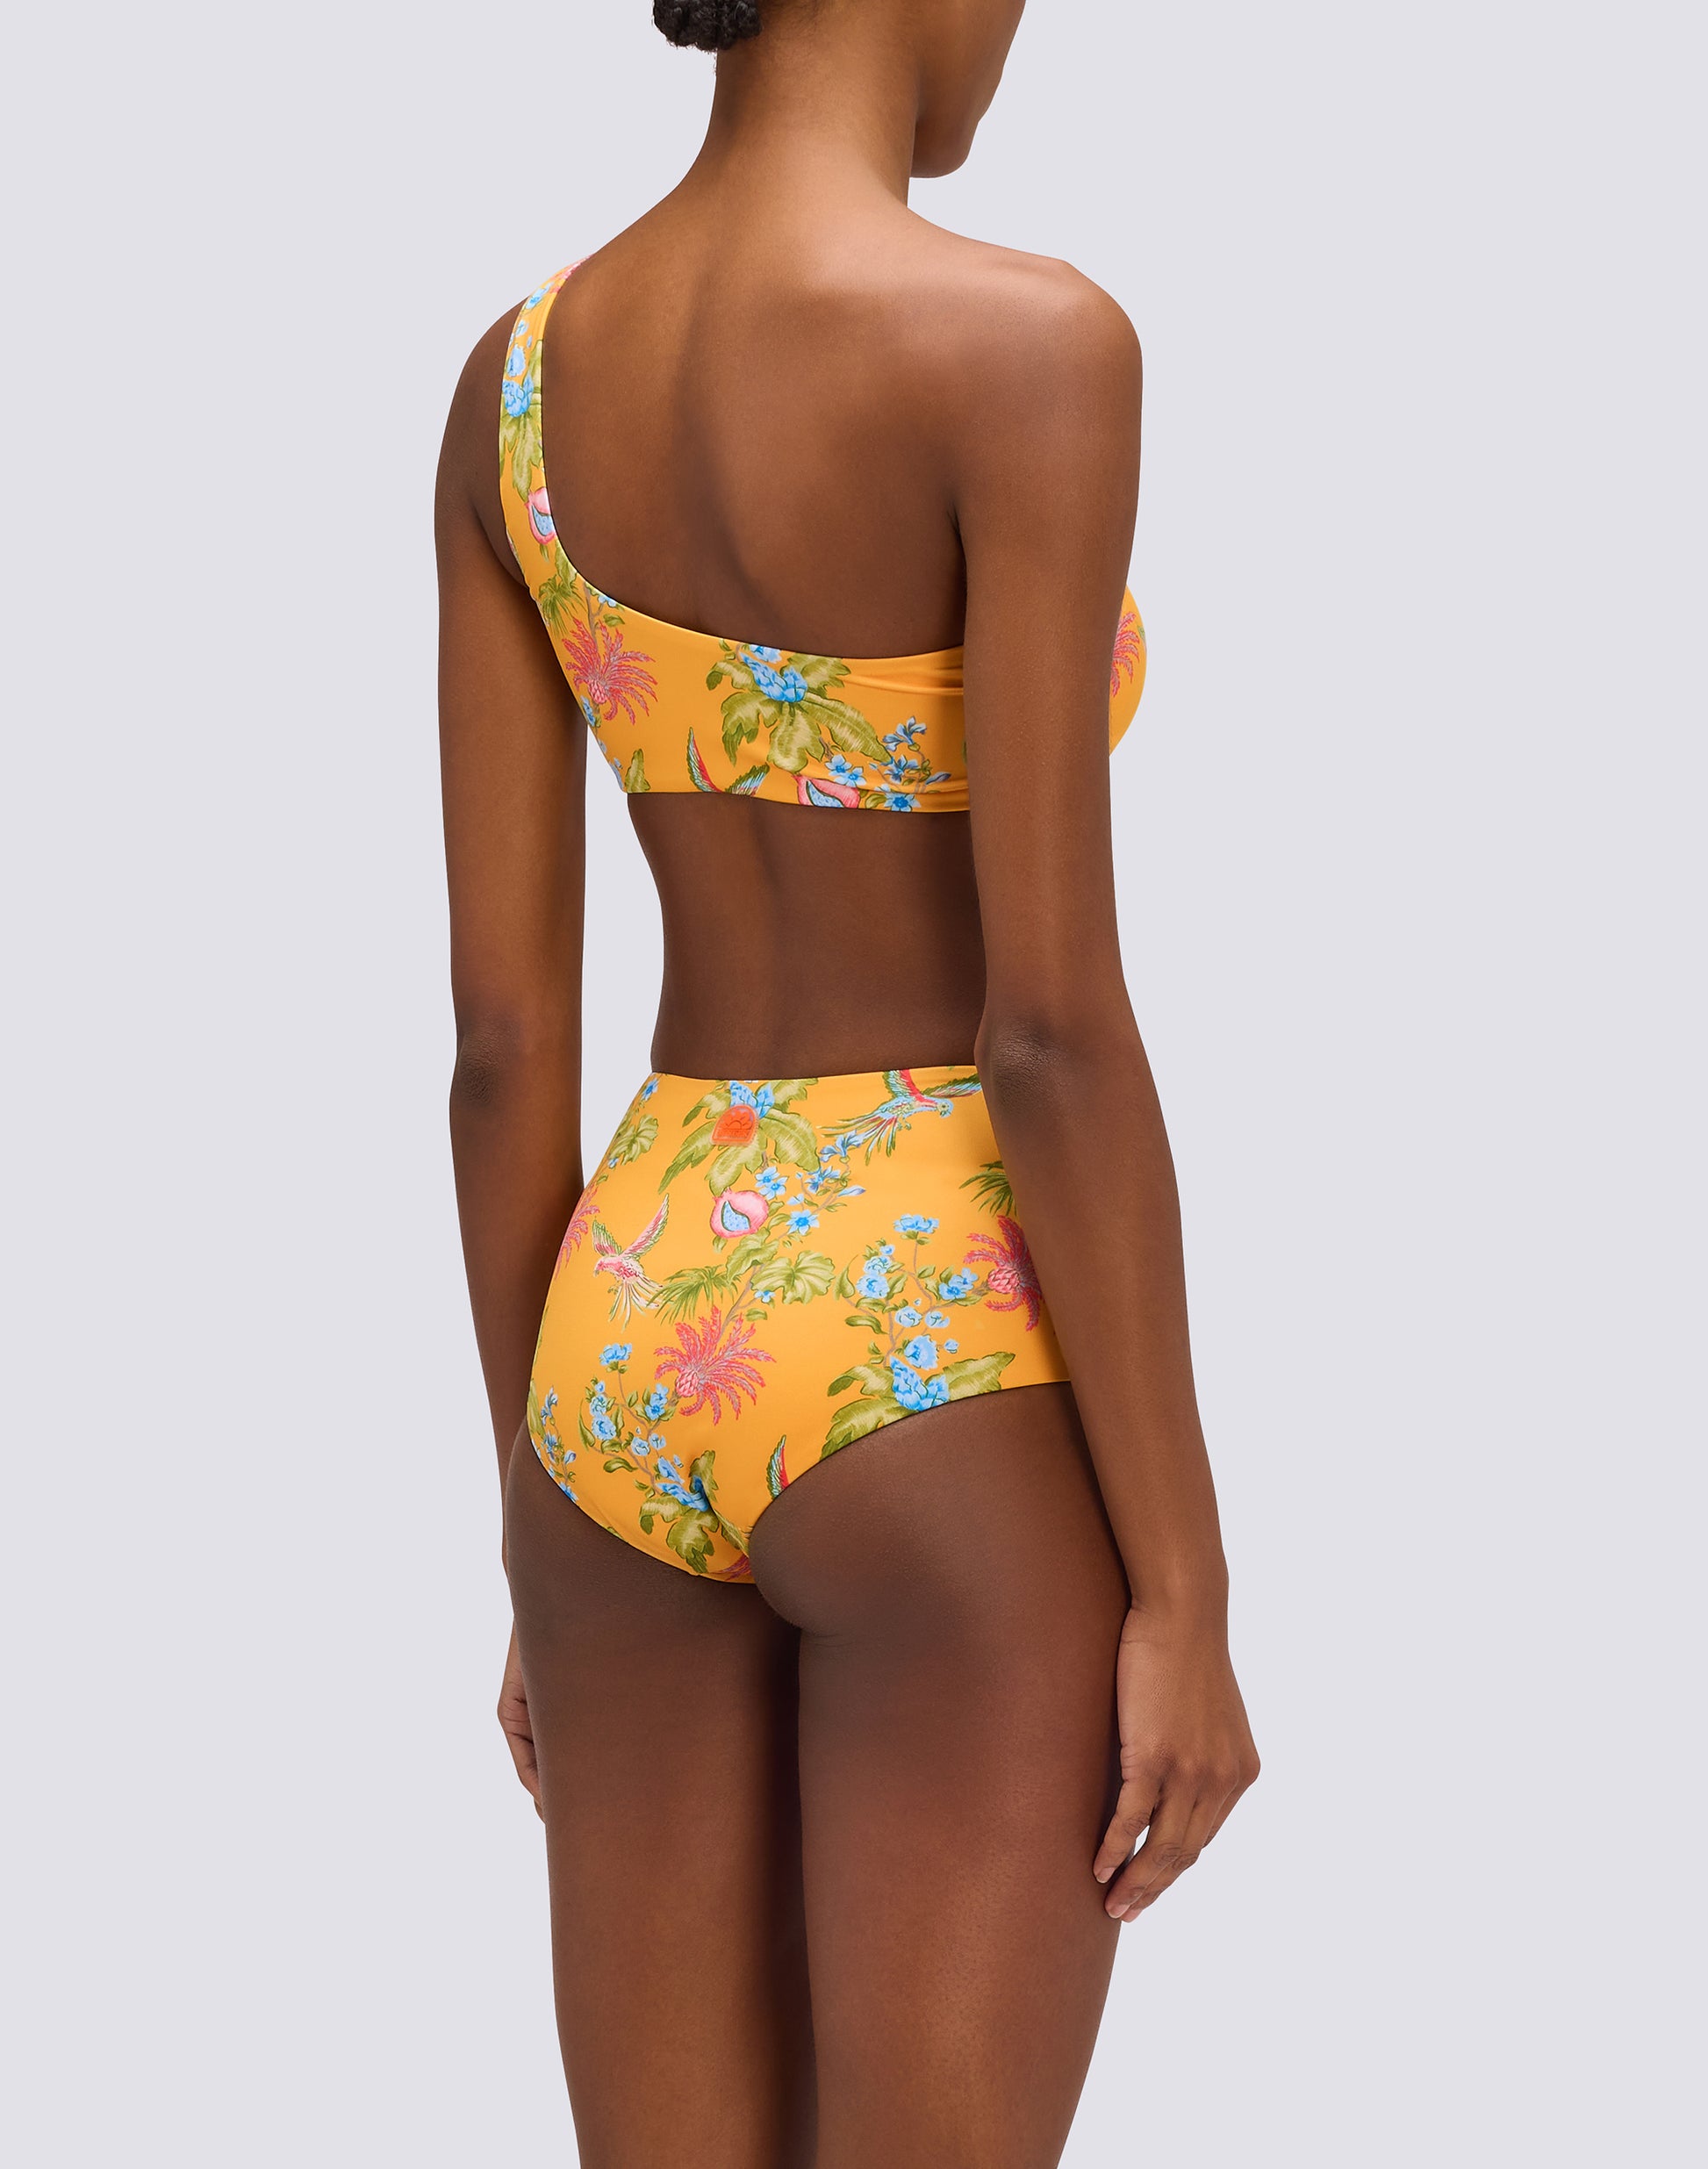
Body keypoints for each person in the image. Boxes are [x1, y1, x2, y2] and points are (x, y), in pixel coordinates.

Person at [435, 1, 1258, 2159]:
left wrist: (538, 1514)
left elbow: (502, 1049)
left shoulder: (514, 388)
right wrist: (1186, 1586)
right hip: (931, 1331)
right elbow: (1049, 1033)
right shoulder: (1028, 348)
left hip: (622, 1321)